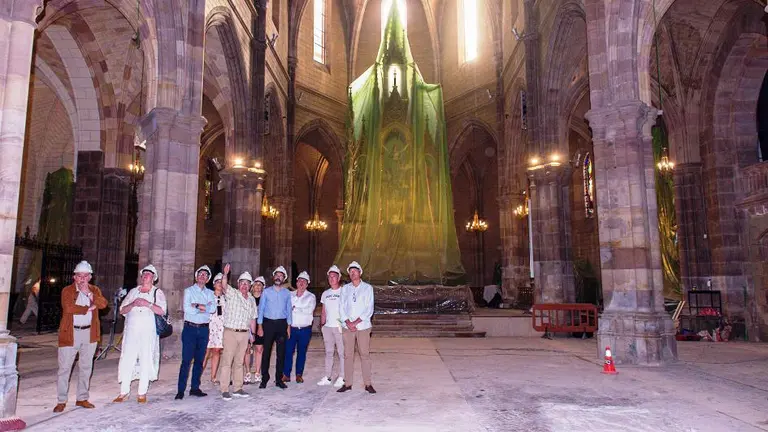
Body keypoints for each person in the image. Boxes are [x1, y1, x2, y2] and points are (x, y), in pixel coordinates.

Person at [53, 261, 108, 412]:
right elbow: (69, 308)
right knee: (64, 368)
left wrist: (88, 294)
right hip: (70, 333)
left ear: (90, 277)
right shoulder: (67, 290)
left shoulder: (94, 290)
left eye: (85, 276)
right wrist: (89, 308)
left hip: (89, 333)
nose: (82, 279)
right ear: (74, 277)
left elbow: (103, 304)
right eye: (79, 276)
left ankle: (82, 398)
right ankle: (61, 400)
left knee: (86, 367)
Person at [114, 264, 167, 403]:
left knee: (146, 358)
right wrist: (133, 305)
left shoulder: (157, 293)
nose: (145, 276)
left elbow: (162, 311)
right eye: (143, 274)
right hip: (131, 331)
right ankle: (123, 391)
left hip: (148, 332)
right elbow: (122, 310)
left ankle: (142, 392)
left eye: (148, 274)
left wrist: (147, 304)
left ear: (154, 278)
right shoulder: (133, 291)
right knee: (128, 358)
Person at [218, 264, 258, 401]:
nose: (244, 286)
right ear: (238, 284)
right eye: (242, 283)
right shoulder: (232, 293)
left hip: (244, 333)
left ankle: (237, 388)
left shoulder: (252, 300)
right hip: (231, 332)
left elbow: (253, 318)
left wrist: (253, 335)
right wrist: (225, 274)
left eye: (247, 284)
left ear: (250, 286)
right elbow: (223, 286)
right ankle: (224, 389)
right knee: (227, 361)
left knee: (240, 362)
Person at [175, 265, 216, 400]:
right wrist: (203, 307)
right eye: (200, 274)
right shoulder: (189, 291)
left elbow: (213, 309)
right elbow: (187, 309)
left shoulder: (210, 293)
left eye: (205, 275)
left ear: (208, 278)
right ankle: (180, 390)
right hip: (190, 329)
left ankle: (195, 388)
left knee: (199, 360)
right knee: (186, 360)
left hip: (204, 329)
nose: (202, 276)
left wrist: (196, 305)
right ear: (196, 276)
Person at [337, 261, 376, 394]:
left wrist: (356, 322)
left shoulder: (367, 288)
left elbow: (369, 309)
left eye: (355, 271)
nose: (353, 273)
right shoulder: (345, 289)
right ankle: (347, 383)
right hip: (347, 327)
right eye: (351, 272)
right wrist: (348, 322)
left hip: (363, 327)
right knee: (348, 355)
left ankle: (368, 383)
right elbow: (341, 307)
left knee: (364, 354)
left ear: (360, 273)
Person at [257, 266, 292, 389]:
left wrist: (288, 326)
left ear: (284, 278)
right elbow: (260, 309)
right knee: (266, 352)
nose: (278, 277)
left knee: (281, 353)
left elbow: (289, 310)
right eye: (276, 275)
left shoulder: (287, 293)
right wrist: (260, 326)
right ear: (273, 277)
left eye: (281, 275)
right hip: (268, 324)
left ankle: (279, 379)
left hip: (282, 324)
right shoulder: (266, 292)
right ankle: (264, 378)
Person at [282, 271, 316, 384]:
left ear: (307, 284)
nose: (301, 283)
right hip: (291, 328)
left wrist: (294, 308)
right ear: (296, 283)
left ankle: (299, 374)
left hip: (305, 329)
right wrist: (297, 309)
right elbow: (286, 310)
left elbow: (308, 310)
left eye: (304, 281)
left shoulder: (311, 297)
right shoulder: (289, 295)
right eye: (300, 281)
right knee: (288, 351)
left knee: (302, 352)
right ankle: (286, 374)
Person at [317, 265, 345, 387]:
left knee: (342, 353)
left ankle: (343, 377)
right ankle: (328, 377)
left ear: (339, 278)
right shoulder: (325, 294)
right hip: (327, 327)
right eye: (330, 277)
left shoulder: (344, 292)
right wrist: (322, 324)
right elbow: (324, 311)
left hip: (339, 327)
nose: (332, 279)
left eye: (334, 276)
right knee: (329, 352)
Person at [203, 273, 226, 384]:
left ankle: (213, 376)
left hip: (220, 327)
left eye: (221, 282)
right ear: (214, 284)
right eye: (217, 282)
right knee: (205, 352)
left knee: (216, 351)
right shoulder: (208, 296)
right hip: (209, 325)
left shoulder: (225, 298)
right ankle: (197, 376)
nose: (219, 284)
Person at [245, 276, 266, 384]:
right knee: (247, 349)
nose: (257, 286)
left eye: (260, 284)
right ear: (252, 286)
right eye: (256, 284)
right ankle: (248, 372)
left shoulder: (265, 298)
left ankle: (258, 372)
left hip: (260, 326)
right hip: (248, 325)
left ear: (262, 287)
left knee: (259, 349)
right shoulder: (248, 297)